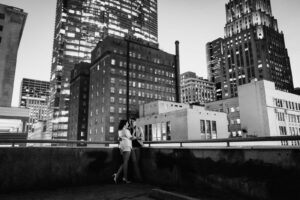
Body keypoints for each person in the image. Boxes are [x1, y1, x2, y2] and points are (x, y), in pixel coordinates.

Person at [113, 120, 135, 184]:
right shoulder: (126, 130)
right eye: (127, 123)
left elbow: (119, 139)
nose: (128, 124)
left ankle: (116, 175)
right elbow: (131, 138)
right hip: (127, 146)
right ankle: (124, 178)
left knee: (124, 163)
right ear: (124, 124)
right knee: (125, 163)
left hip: (122, 147)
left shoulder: (120, 131)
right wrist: (134, 132)